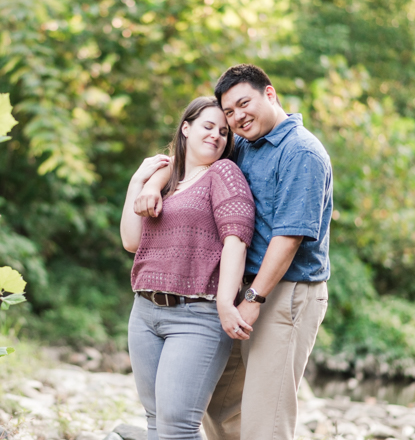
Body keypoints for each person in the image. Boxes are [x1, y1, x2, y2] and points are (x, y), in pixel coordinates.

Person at [134, 65, 333, 440]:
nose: (237, 117)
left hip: (284, 293)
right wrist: (154, 183)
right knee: (219, 405)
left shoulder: (301, 152)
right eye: (229, 112)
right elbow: (191, 160)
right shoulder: (244, 142)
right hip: (241, 291)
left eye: (245, 104)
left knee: (265, 418)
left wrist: (254, 298)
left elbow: (287, 239)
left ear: (270, 94)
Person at [120, 96, 256, 440]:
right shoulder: (165, 180)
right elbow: (131, 241)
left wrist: (227, 302)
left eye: (224, 132)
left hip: (196, 317)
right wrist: (139, 182)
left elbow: (236, 240)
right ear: (186, 128)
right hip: (145, 312)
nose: (216, 136)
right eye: (208, 126)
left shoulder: (224, 173)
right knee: (156, 423)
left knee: (178, 426)